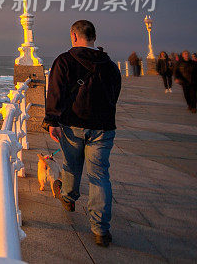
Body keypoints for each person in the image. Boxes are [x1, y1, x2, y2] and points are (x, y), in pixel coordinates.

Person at [44, 20, 122, 247]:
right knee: (99, 176)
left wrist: (52, 120)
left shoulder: (65, 60)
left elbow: (55, 92)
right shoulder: (109, 64)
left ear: (74, 36)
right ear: (94, 37)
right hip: (104, 127)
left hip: (73, 124)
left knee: (72, 165)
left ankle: (68, 198)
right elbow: (114, 93)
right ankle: (100, 230)